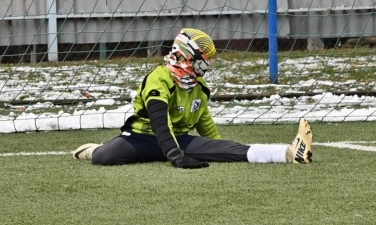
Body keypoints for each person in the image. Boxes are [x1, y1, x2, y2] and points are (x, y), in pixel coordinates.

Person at [71, 28, 314, 167]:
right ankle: (93, 149)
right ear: (187, 56)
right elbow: (159, 121)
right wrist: (174, 155)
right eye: (205, 57)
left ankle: (289, 153)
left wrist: (218, 147)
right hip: (143, 138)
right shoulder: (158, 77)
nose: (208, 62)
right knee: (104, 157)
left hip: (180, 140)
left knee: (232, 149)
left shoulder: (201, 87)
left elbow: (205, 123)